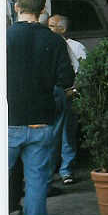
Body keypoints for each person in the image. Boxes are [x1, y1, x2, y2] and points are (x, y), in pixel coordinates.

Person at [7, 0, 74, 215]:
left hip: (8, 121)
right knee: (36, 182)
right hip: (41, 122)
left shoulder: (6, 37)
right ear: (43, 11)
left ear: (16, 8)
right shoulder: (56, 41)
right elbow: (67, 79)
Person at [48, 14, 87, 185]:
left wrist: (73, 90)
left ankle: (66, 170)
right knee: (51, 135)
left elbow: (84, 72)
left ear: (62, 29)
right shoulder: (47, 44)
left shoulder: (76, 47)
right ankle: (50, 172)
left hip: (68, 95)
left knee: (67, 134)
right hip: (52, 95)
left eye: (51, 26)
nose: (48, 29)